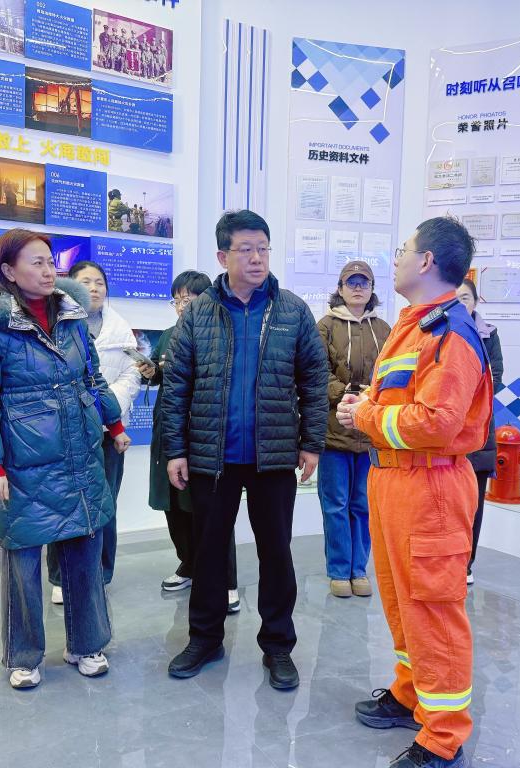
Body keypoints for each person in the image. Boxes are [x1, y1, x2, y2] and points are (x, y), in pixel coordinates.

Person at [338, 217, 493, 768]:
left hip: (430, 488)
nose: (397, 258)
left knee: (433, 609)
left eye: (404, 249)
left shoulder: (451, 332)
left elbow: (437, 423)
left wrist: (365, 416)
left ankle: (443, 736)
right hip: (395, 481)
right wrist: (367, 407)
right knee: (402, 601)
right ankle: (411, 695)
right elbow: (400, 403)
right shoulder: (416, 325)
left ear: (426, 261)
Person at [162, 209, 328, 690]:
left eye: (263, 249)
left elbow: (314, 380)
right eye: (246, 249)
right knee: (209, 552)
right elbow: (177, 386)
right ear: (223, 256)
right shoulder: (199, 313)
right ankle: (204, 638)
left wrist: (311, 443)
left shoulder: (292, 311)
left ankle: (278, 645)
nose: (257, 258)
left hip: (273, 455)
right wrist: (175, 450)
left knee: (276, 552)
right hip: (211, 456)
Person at [0, 229, 126, 689]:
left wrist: (114, 424)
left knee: (84, 553)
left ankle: (87, 644)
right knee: (24, 564)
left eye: (50, 261)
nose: (48, 269)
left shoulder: (72, 319)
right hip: (24, 464)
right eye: (36, 262)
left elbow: (92, 379)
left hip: (78, 455)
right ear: (9, 271)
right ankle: (24, 655)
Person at [138, 271, 240, 610]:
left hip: (205, 433)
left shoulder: (220, 333)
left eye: (189, 299)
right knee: (174, 504)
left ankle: (225, 580)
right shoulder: (169, 334)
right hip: (170, 427)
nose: (182, 306)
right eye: (177, 300)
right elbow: (169, 375)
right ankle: (190, 564)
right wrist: (154, 372)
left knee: (211, 509)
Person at [46, 260, 137, 605]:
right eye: (86, 282)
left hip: (109, 430)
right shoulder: (58, 324)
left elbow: (132, 373)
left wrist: (109, 407)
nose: (95, 288)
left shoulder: (121, 327)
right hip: (68, 430)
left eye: (99, 282)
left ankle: (102, 572)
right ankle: (60, 577)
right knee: (64, 503)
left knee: (106, 504)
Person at [316, 261, 390, 599]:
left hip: (371, 433)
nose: (358, 288)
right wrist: (344, 393)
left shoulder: (385, 329)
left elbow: (392, 375)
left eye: (364, 282)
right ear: (340, 288)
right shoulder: (325, 326)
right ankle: (338, 570)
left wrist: (370, 399)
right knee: (335, 505)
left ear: (372, 289)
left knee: (363, 504)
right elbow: (316, 372)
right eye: (351, 282)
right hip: (334, 432)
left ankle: (359, 569)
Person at [454, 279, 503, 586]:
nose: (460, 304)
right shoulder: (440, 329)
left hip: (479, 430)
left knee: (474, 502)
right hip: (446, 432)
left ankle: (466, 564)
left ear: (475, 302)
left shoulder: (489, 335)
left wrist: (459, 398)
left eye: (466, 298)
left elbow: (495, 377)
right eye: (455, 298)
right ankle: (448, 561)